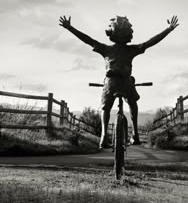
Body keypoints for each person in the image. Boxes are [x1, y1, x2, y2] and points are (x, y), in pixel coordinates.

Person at [59, 15, 179, 148]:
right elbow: (151, 42)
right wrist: (168, 29)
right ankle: (135, 135)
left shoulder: (106, 49)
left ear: (111, 33)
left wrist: (70, 28)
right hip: (126, 83)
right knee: (132, 103)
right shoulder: (131, 49)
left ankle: (104, 136)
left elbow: (88, 40)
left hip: (111, 83)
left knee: (105, 107)